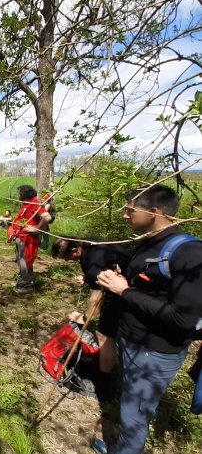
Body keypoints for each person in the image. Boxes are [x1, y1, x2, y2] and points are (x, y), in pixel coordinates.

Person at [92, 185, 202, 454]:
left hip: (154, 353)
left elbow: (182, 319)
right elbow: (149, 290)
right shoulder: (149, 244)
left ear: (154, 212)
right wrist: (119, 283)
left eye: (130, 209)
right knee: (130, 409)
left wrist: (125, 290)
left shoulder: (189, 254)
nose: (125, 216)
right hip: (133, 342)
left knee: (135, 417)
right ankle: (122, 447)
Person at [52, 237, 131, 373]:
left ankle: (105, 375)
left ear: (75, 249)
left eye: (67, 257)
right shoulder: (89, 243)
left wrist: (84, 318)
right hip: (125, 284)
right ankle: (114, 362)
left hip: (126, 291)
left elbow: (96, 299)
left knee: (103, 334)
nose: (66, 260)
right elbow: (106, 264)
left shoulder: (95, 262)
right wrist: (88, 278)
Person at [8, 185, 52, 290]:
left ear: (24, 194)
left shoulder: (34, 203)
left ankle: (26, 282)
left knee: (23, 259)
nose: (18, 195)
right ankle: (26, 278)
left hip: (27, 238)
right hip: (20, 236)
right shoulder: (27, 204)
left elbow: (47, 217)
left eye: (19, 193)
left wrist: (37, 229)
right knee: (21, 258)